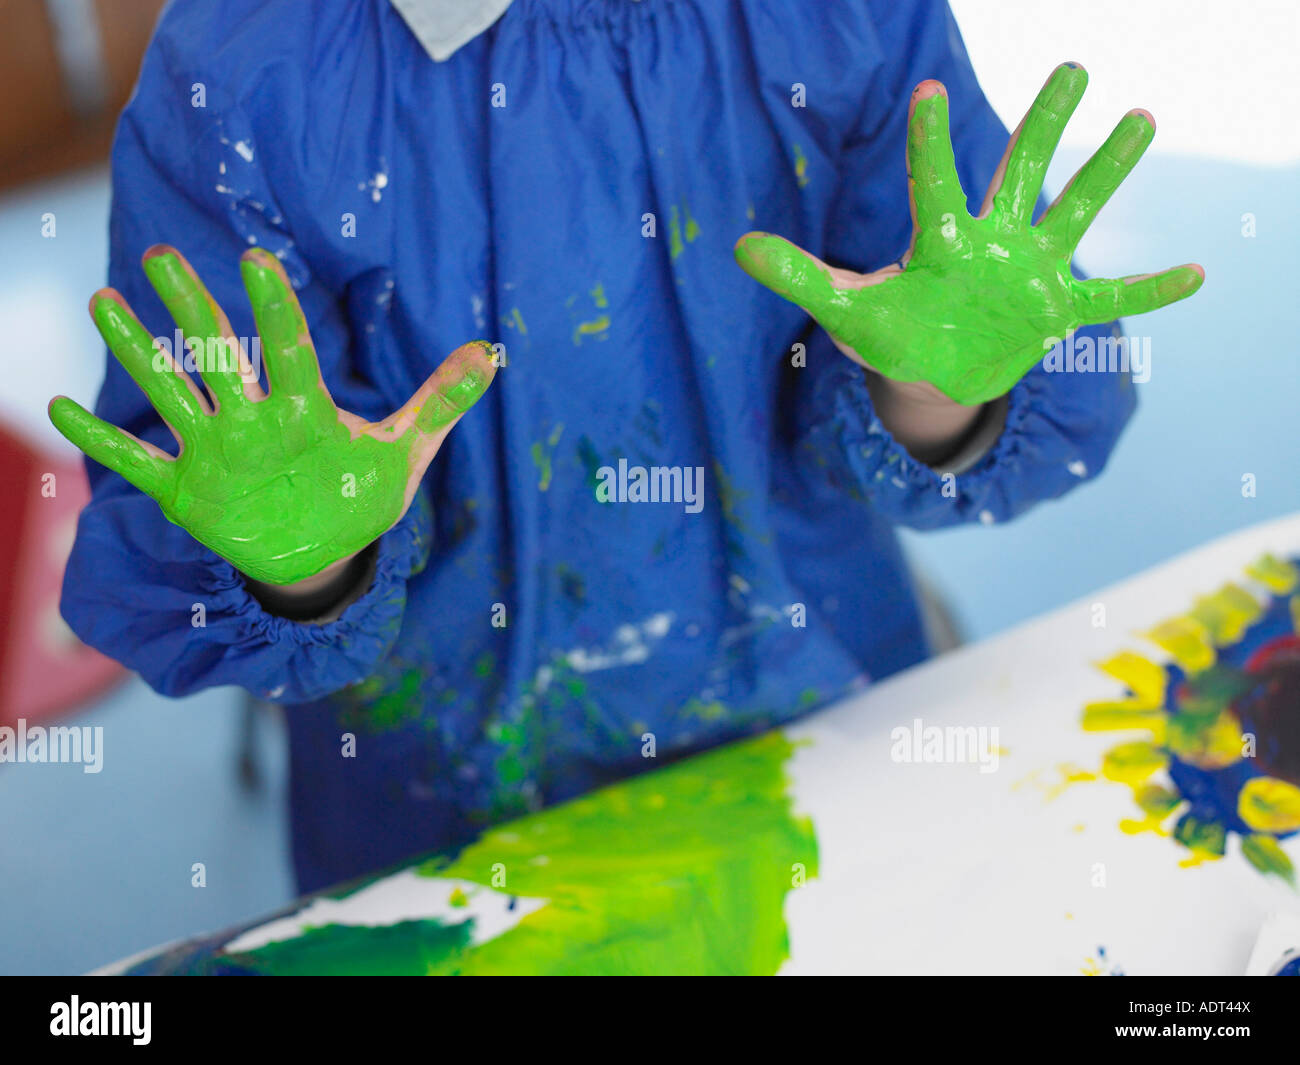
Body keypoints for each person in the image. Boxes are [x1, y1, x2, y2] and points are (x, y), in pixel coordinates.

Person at [51, 0, 1202, 893]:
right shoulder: (250, 68)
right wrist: (301, 564)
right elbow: (199, 489)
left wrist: (932, 390)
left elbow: (973, 347)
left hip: (823, 702)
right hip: (446, 795)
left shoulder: (839, 20)